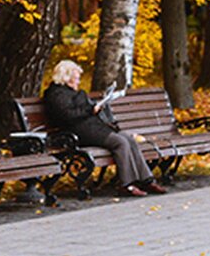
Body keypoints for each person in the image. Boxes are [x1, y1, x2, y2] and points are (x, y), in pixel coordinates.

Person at [43, 59, 166, 197]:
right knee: (120, 142)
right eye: (76, 78)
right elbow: (67, 116)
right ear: (66, 77)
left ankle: (146, 180)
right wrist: (91, 110)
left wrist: (98, 107)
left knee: (129, 139)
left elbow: (83, 110)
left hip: (91, 128)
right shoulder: (56, 94)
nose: (78, 82)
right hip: (76, 132)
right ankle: (126, 184)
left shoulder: (74, 92)